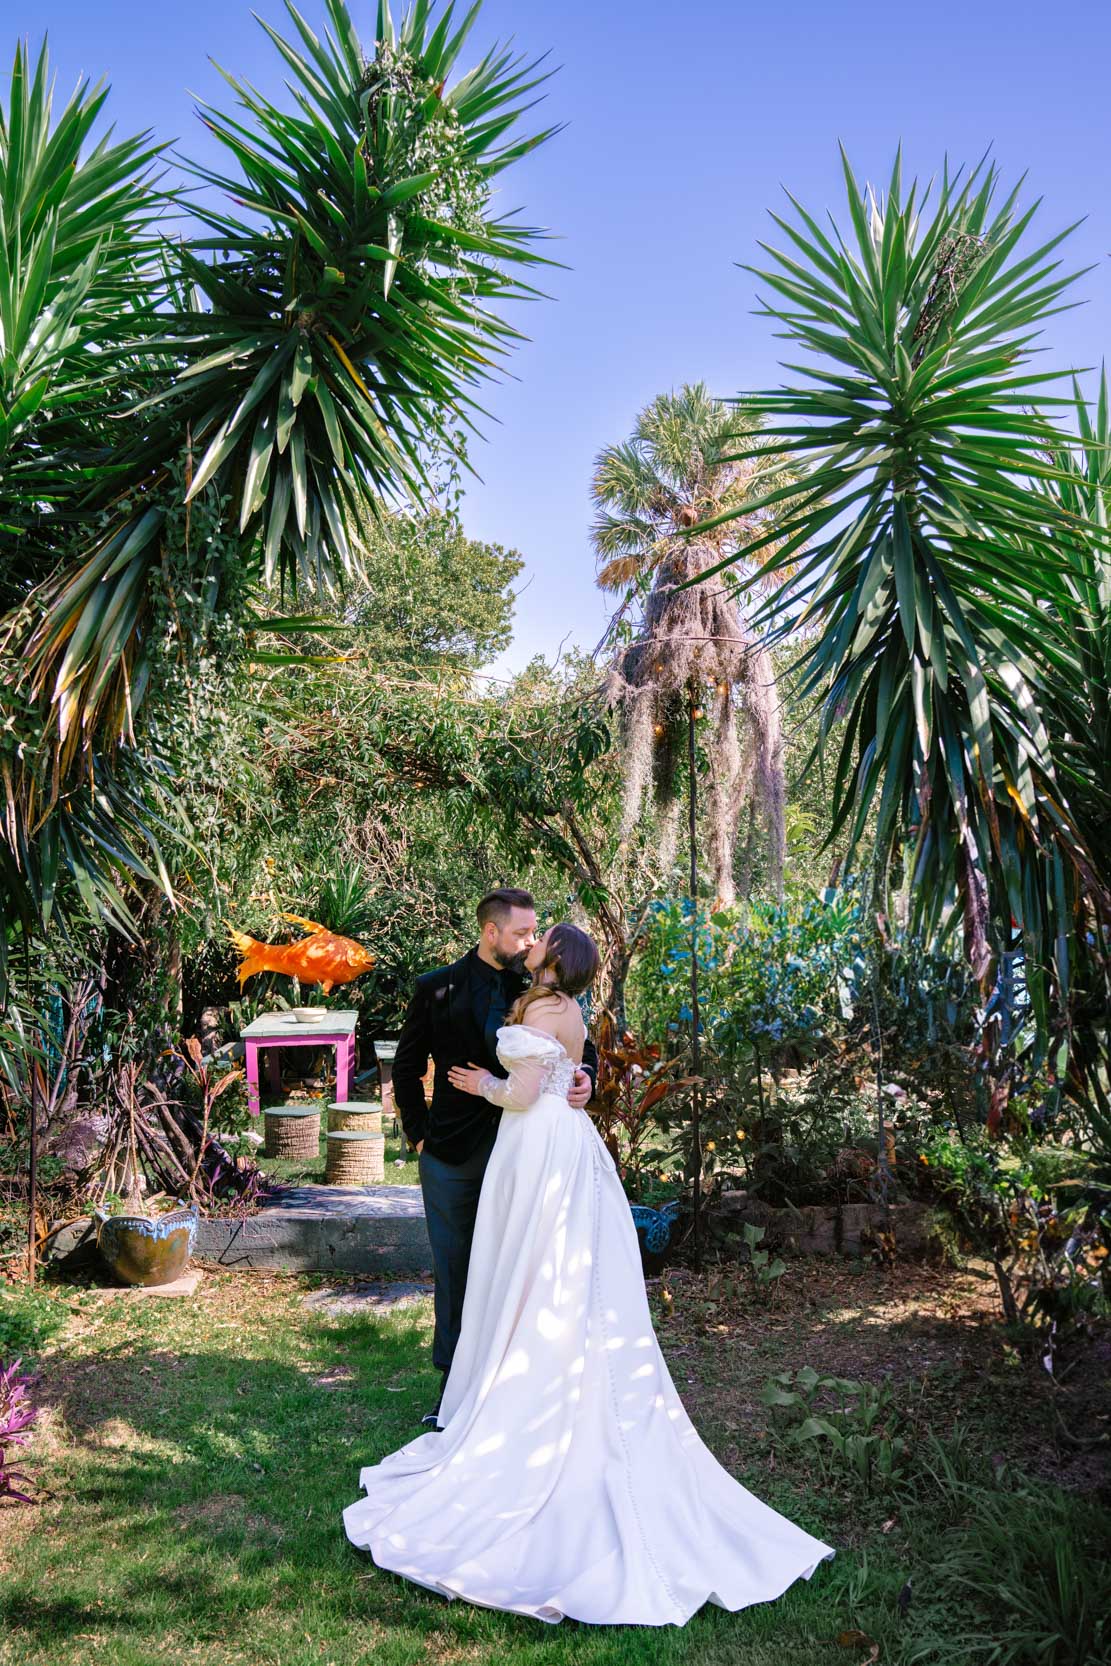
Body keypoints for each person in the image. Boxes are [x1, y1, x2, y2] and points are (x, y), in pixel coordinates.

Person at [343, 921, 836, 1627]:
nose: (532, 941)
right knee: (542, 1269)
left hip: (537, 1142)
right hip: (555, 1142)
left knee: (535, 1266)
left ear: (554, 960)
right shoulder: (558, 1006)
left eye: (540, 937)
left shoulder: (545, 1009)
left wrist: (486, 1082)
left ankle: (527, 1385)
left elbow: (525, 1091)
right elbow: (562, 1072)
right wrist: (559, 1079)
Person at [391, 888, 596, 1427]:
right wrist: (419, 1137)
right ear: (491, 932)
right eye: (522, 933)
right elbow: (407, 1067)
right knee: (457, 1271)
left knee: (520, 1268)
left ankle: (513, 1390)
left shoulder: (540, 989)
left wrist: (584, 1081)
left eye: (535, 934)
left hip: (526, 1156)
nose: (531, 940)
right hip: (452, 1156)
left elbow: (580, 1052)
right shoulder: (436, 989)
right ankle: (452, 1388)